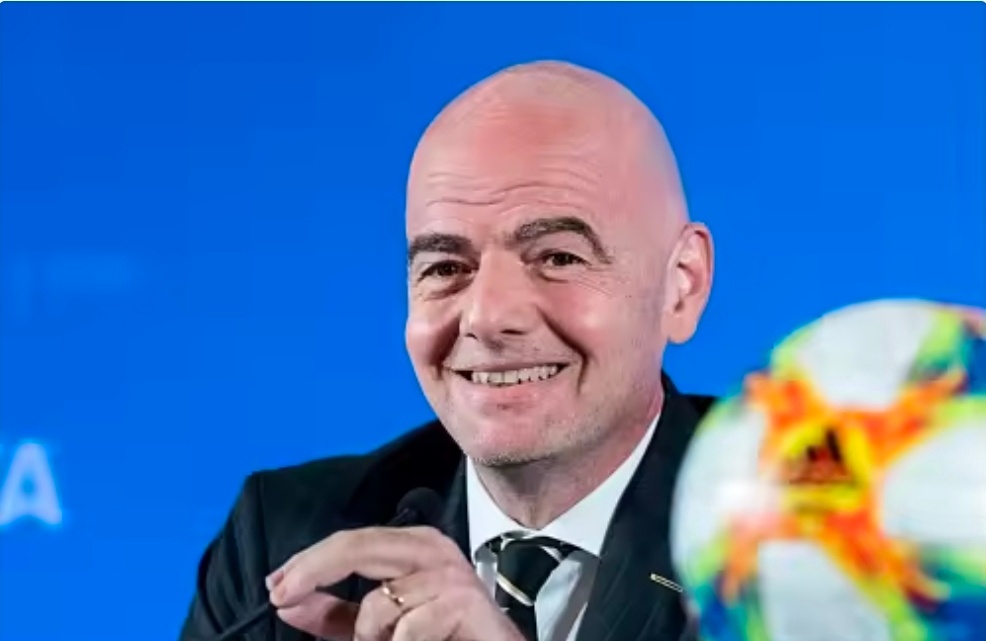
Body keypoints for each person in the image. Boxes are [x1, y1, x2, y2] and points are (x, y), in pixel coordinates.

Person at [179, 60, 716, 641]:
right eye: (445, 267)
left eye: (559, 258)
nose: (486, 317)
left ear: (681, 285)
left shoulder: (785, 534)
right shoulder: (285, 539)